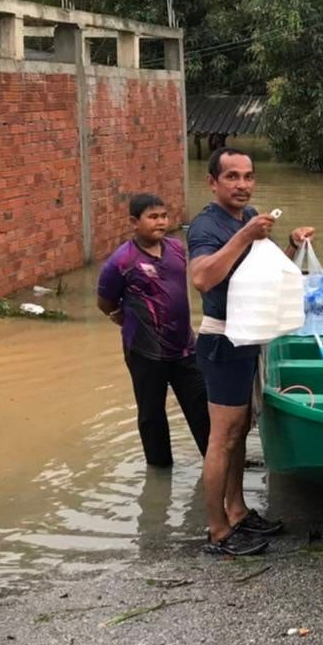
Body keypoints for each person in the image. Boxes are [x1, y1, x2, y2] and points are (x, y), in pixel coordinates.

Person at [187, 148, 316, 557]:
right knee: (222, 438)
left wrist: (291, 245)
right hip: (223, 340)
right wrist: (244, 235)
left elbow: (268, 271)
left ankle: (238, 511)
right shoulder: (206, 226)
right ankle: (217, 531)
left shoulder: (250, 215)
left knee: (240, 431)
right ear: (212, 182)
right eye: (232, 177)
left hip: (249, 337)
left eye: (248, 176)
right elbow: (202, 278)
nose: (242, 185)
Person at [97, 194, 210, 468]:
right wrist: (120, 317)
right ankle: (160, 472)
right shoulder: (121, 261)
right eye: (153, 217)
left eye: (163, 216)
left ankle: (215, 461)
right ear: (134, 222)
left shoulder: (177, 249)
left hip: (184, 347)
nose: (160, 222)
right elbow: (105, 301)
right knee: (152, 414)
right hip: (145, 350)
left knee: (201, 405)